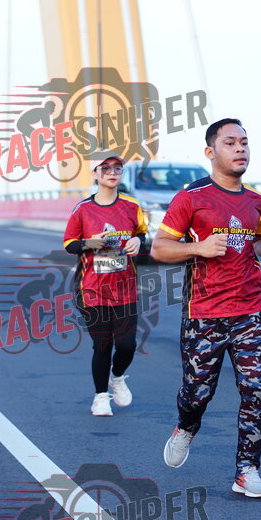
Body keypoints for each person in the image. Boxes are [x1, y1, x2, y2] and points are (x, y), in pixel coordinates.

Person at [151, 119, 261, 498]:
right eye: (230, 142)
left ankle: (247, 471)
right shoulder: (191, 198)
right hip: (204, 315)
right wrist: (198, 247)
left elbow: (257, 240)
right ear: (210, 152)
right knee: (197, 394)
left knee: (256, 390)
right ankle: (186, 427)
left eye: (244, 142)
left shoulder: (255, 200)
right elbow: (159, 248)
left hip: (251, 312)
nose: (240, 148)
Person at [63, 155, 147, 416]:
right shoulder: (83, 209)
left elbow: (141, 234)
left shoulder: (132, 206)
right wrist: (89, 243)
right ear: (95, 174)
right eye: (106, 168)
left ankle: (117, 377)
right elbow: (69, 244)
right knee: (102, 345)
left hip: (125, 288)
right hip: (91, 289)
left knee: (127, 345)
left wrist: (138, 241)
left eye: (117, 168)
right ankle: (100, 397)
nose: (112, 172)